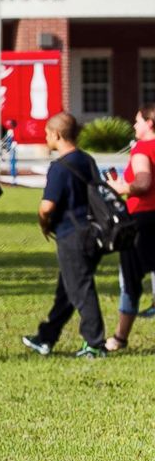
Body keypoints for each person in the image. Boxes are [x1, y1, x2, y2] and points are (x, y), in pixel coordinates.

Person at [22, 113, 108, 358]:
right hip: (93, 232)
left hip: (72, 235)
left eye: (48, 133)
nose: (46, 137)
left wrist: (43, 224)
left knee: (80, 289)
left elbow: (47, 206)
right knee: (68, 289)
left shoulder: (60, 167)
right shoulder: (87, 160)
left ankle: (94, 343)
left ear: (57, 135)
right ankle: (46, 338)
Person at [104, 104, 155, 352]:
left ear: (150, 123)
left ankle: (119, 338)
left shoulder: (142, 149)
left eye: (138, 121)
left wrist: (121, 187)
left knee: (130, 279)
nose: (134, 125)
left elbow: (144, 182)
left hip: (142, 220)